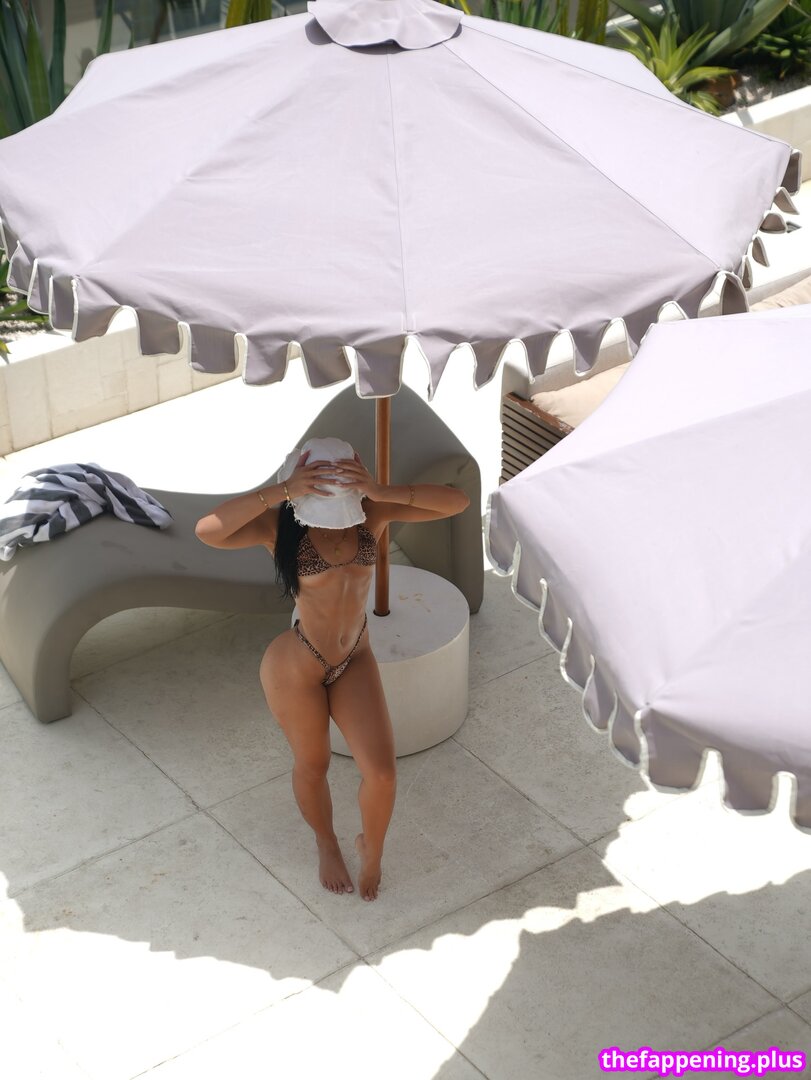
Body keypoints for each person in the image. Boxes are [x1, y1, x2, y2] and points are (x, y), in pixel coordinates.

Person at [195, 438, 470, 901]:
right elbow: (207, 530)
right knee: (313, 763)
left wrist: (380, 490)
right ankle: (326, 842)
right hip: (297, 664)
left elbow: (456, 502)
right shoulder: (281, 527)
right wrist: (283, 490)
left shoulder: (370, 514)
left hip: (354, 657)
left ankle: (372, 849)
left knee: (382, 774)